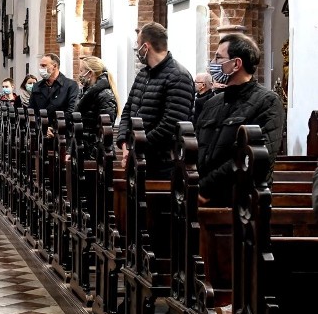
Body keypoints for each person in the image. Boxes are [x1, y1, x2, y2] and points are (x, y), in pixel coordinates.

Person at [195, 33, 284, 206]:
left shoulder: (268, 102)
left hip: (240, 204)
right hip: (201, 199)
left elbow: (252, 158)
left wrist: (206, 187)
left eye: (218, 58)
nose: (213, 64)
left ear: (236, 64)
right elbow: (197, 147)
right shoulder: (212, 103)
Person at [117, 22, 194, 179]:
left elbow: (170, 125)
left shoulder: (178, 76)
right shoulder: (143, 75)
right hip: (137, 158)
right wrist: (124, 142)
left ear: (146, 47)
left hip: (161, 164)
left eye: (138, 45)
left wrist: (137, 145)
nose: (137, 51)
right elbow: (127, 110)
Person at [75, 56, 119, 157]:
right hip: (83, 148)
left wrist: (94, 154)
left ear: (90, 73)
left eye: (81, 71)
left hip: (97, 153)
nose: (80, 75)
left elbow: (105, 129)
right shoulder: (86, 92)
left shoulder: (105, 95)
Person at [30, 53, 79, 137]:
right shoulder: (37, 87)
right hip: (41, 134)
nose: (41, 69)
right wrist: (42, 127)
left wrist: (55, 127)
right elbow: (31, 111)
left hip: (62, 133)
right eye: (41, 66)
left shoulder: (70, 85)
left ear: (54, 66)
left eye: (44, 66)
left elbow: (71, 110)